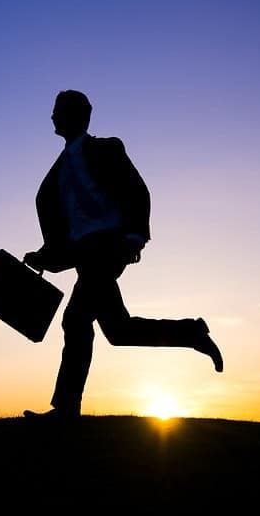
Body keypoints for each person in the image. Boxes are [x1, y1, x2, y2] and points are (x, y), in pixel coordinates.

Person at [23, 90, 222, 421]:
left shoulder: (107, 149)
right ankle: (191, 332)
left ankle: (67, 407)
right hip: (83, 253)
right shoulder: (56, 174)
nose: (52, 116)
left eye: (58, 111)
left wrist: (134, 238)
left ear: (78, 116)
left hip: (108, 247)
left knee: (75, 320)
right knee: (118, 331)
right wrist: (46, 255)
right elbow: (63, 224)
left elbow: (137, 191)